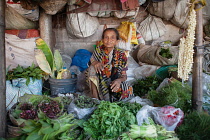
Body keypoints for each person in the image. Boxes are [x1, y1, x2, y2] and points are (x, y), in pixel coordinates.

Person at [86, 28, 133, 102]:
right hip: (100, 82)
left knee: (127, 88)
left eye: (112, 37)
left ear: (117, 41)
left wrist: (118, 81)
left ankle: (112, 99)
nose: (109, 40)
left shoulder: (122, 54)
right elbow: (91, 61)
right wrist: (95, 63)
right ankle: (95, 99)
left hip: (114, 82)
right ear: (102, 39)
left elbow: (124, 76)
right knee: (91, 68)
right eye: (106, 37)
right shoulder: (98, 50)